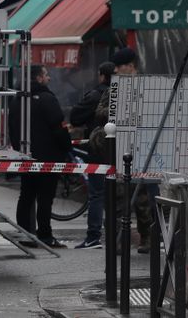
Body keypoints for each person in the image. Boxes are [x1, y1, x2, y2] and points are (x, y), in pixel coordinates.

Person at [92, 46, 155, 252]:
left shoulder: (147, 87)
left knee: (142, 198)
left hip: (141, 147)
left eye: (120, 67)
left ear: (130, 66)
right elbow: (100, 113)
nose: (116, 72)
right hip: (119, 148)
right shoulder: (114, 89)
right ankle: (119, 239)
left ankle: (147, 237)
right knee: (119, 197)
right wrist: (116, 112)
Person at [10, 64, 72, 249]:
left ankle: (25, 234)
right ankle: (45, 235)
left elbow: (12, 127)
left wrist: (18, 150)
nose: (49, 78)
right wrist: (66, 147)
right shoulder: (47, 99)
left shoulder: (17, 99)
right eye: (46, 75)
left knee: (26, 195)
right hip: (48, 157)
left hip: (25, 155)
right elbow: (58, 128)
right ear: (38, 78)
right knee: (45, 197)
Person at [69, 61, 115, 249]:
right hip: (122, 152)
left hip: (98, 150)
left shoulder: (96, 95)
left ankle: (94, 236)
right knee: (118, 194)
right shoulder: (126, 94)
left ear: (102, 76)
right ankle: (117, 236)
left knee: (97, 194)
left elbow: (75, 117)